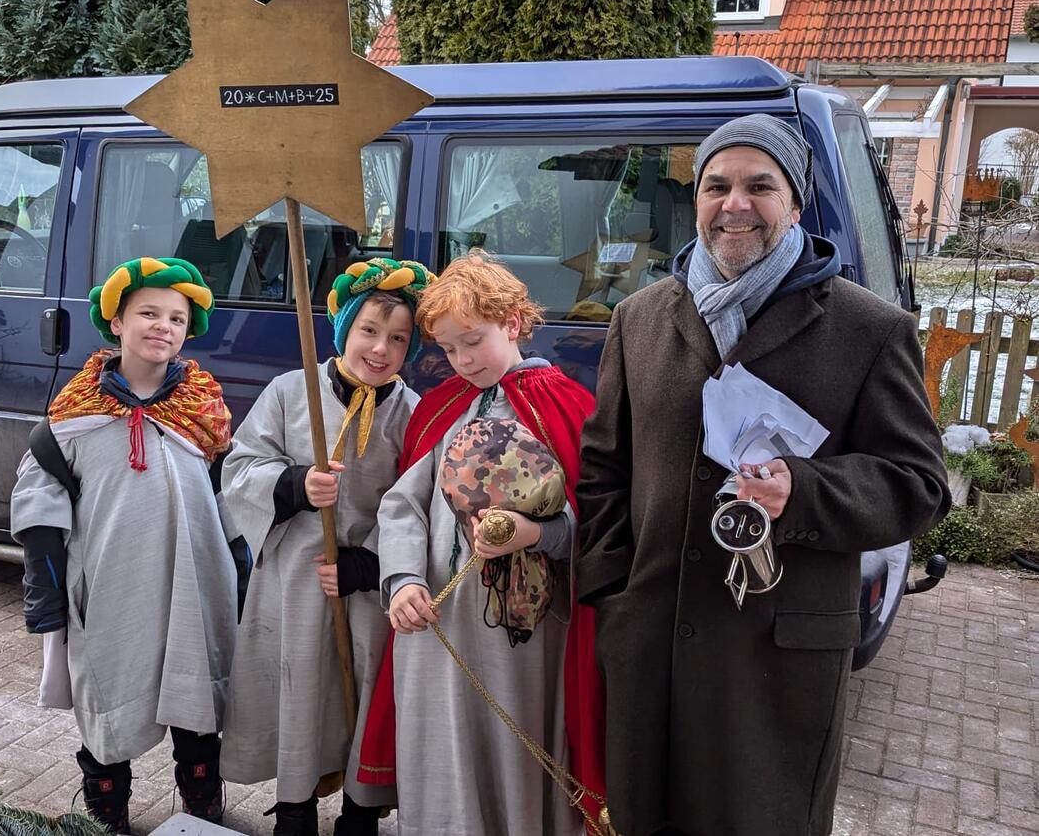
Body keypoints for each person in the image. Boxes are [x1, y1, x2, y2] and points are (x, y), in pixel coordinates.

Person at [576, 115, 950, 836]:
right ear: (698, 199)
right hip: (651, 643)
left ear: (796, 204)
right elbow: (604, 467)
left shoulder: (869, 329)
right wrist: (611, 590)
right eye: (717, 185)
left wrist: (803, 491)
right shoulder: (641, 319)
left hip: (776, 659)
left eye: (759, 185)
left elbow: (918, 483)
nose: (735, 203)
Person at [358, 252, 600, 836]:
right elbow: (402, 505)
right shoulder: (442, 408)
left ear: (514, 322)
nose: (462, 361)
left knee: (514, 749)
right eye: (447, 349)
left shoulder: (567, 407)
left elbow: (594, 524)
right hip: (434, 623)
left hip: (524, 643)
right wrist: (403, 580)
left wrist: (536, 533)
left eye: (473, 341)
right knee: (440, 754)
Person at [10, 257, 238, 833]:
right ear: (116, 321)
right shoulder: (74, 415)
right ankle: (106, 817)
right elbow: (39, 503)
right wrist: (46, 589)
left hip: (192, 586)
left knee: (196, 712)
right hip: (111, 590)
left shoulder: (203, 411)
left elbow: (231, 500)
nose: (163, 326)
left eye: (177, 318)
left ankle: (202, 812)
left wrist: (243, 571)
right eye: (148, 313)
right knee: (109, 709)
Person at [218, 258, 434, 836]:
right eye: (368, 331)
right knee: (302, 692)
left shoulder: (411, 414)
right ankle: (295, 808)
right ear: (342, 330)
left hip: (366, 589)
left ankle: (361, 813)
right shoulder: (293, 392)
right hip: (296, 578)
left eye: (397, 338)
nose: (381, 349)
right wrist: (293, 484)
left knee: (362, 693)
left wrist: (370, 565)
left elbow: (420, 504)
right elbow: (238, 470)